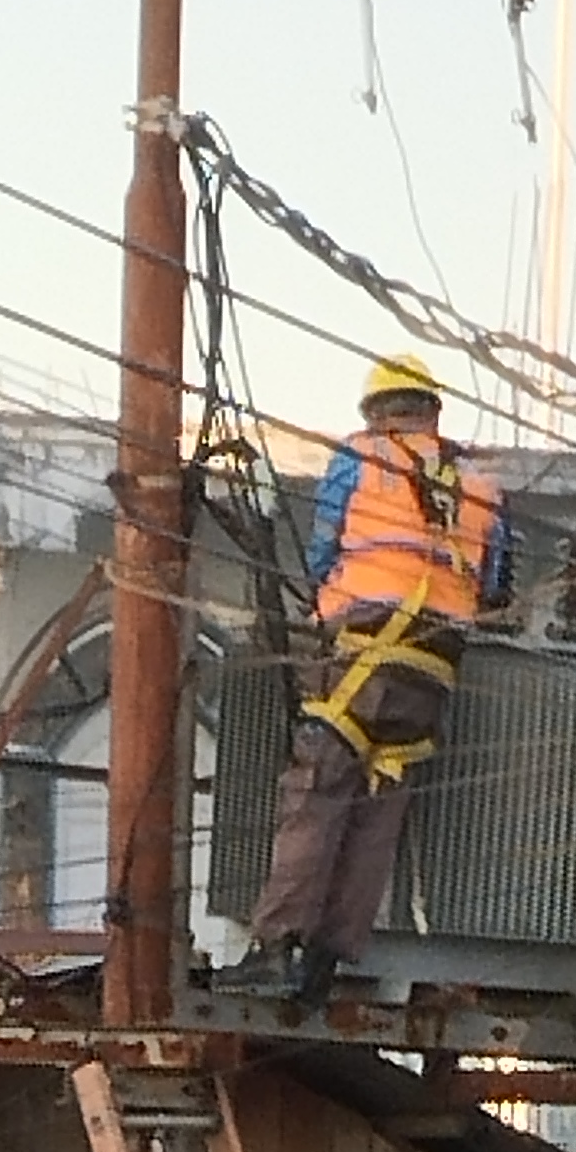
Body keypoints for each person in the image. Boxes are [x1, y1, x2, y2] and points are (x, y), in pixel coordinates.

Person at [243, 358, 511, 1008]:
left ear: (374, 413)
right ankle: (325, 966)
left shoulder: (361, 459)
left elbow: (323, 550)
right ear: (432, 412)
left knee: (319, 786)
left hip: (365, 647)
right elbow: (497, 581)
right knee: (379, 803)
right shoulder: (480, 486)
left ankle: (277, 948)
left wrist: (328, 600)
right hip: (435, 667)